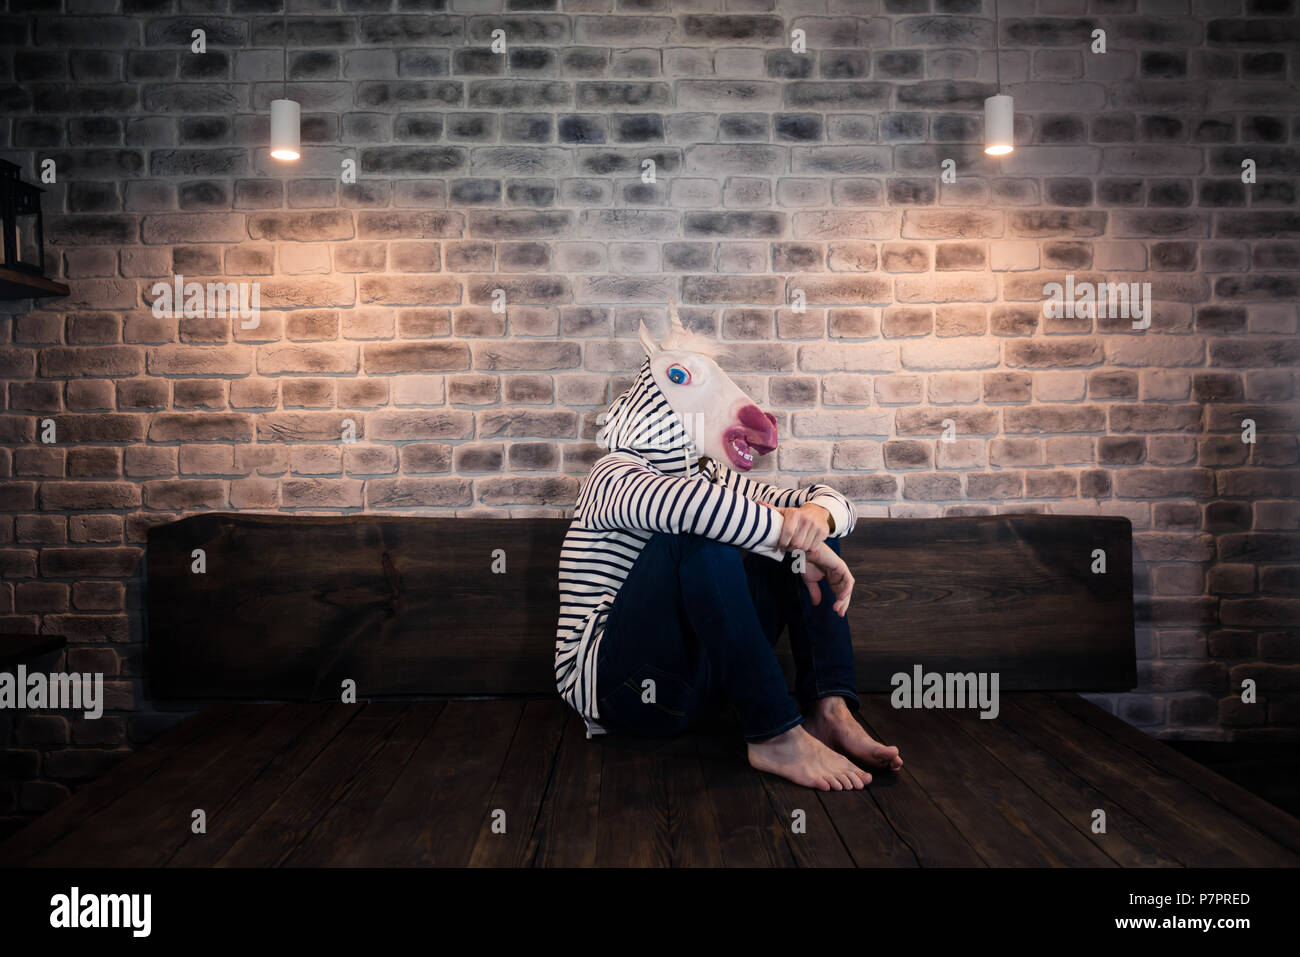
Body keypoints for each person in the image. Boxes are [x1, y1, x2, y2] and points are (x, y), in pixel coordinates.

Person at [554, 308, 902, 790]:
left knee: (804, 525)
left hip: (703, 688)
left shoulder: (711, 483)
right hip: (625, 692)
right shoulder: (613, 474)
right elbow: (691, 507)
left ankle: (829, 709)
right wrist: (801, 541)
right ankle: (775, 735)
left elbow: (828, 502)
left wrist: (818, 525)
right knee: (704, 533)